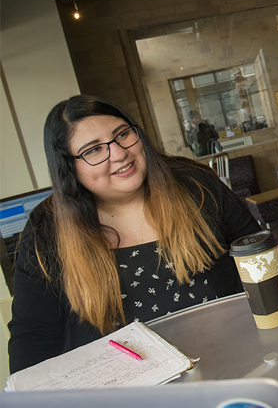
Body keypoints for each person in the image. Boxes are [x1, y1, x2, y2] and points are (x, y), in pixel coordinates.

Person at [9, 95, 259, 373]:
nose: (119, 153)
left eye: (123, 134)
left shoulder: (196, 186)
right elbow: (32, 335)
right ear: (68, 167)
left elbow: (258, 259)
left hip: (235, 364)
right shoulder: (47, 228)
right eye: (93, 150)